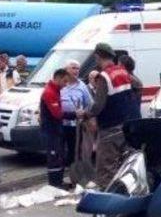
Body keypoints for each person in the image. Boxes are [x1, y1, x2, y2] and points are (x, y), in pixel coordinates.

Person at [86, 43, 136, 189]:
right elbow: (135, 89)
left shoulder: (104, 76)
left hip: (109, 127)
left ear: (97, 56)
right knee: (124, 162)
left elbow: (98, 105)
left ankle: (109, 199)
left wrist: (86, 114)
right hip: (125, 125)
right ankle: (127, 191)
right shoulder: (122, 71)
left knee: (105, 166)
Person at [40, 68, 70, 187]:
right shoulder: (49, 92)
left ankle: (59, 181)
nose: (65, 85)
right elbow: (57, 113)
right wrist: (74, 115)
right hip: (51, 130)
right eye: (64, 81)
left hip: (56, 129)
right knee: (54, 157)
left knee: (59, 156)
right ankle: (54, 184)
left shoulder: (55, 90)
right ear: (58, 78)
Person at [61, 60, 92, 169]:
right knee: (60, 151)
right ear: (66, 70)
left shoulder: (82, 86)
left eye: (78, 68)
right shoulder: (60, 84)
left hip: (76, 125)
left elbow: (89, 103)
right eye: (73, 68)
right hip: (60, 123)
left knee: (74, 151)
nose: (76, 71)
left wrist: (84, 114)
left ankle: (74, 175)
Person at [117, 52, 143, 118]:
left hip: (130, 117)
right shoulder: (135, 79)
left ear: (123, 66)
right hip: (134, 115)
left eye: (118, 64)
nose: (117, 67)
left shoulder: (129, 79)